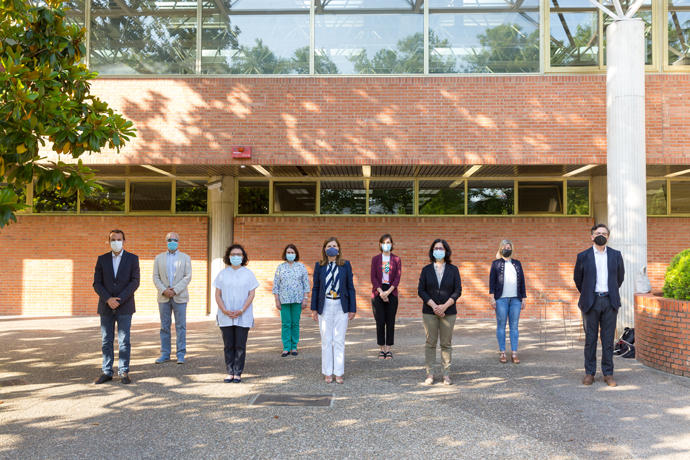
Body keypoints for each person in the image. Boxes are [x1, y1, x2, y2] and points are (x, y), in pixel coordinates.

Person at [574, 223, 625, 387]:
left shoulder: (616, 255)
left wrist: (609, 292)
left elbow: (620, 278)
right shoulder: (583, 256)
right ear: (592, 236)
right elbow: (578, 279)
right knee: (590, 339)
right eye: (597, 233)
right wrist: (589, 292)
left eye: (604, 233)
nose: (600, 235)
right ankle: (589, 373)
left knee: (608, 340)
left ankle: (608, 374)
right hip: (591, 301)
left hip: (610, 301)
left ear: (608, 237)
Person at [92, 229, 140, 385]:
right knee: (106, 340)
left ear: (124, 241)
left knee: (124, 340)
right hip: (106, 306)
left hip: (125, 306)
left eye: (119, 239)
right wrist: (108, 299)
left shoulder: (133, 259)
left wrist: (119, 300)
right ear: (109, 241)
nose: (116, 242)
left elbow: (135, 282)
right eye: (113, 239)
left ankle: (124, 371)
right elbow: (96, 283)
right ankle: (107, 371)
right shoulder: (102, 259)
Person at [311, 237, 356, 384]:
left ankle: (339, 372)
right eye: (329, 245)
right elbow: (316, 287)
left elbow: (350, 287)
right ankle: (327, 372)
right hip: (325, 305)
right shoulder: (319, 265)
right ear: (325, 249)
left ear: (338, 249)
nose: (332, 248)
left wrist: (352, 308)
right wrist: (314, 309)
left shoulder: (345, 265)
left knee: (339, 340)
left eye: (334, 245)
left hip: (340, 306)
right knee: (326, 340)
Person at [417, 239, 462, 385]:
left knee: (446, 344)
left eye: (441, 248)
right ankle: (430, 374)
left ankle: (446, 374)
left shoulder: (453, 269)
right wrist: (434, 306)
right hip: (429, 312)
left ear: (446, 251)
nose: (438, 250)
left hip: (448, 312)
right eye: (436, 248)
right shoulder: (426, 270)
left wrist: (444, 306)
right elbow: (421, 290)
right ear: (432, 251)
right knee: (430, 343)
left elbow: (457, 291)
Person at [214, 244, 259, 383]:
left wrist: (242, 310)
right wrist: (224, 310)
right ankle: (229, 372)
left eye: (239, 255)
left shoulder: (248, 273)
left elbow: (251, 294)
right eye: (233, 254)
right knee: (228, 345)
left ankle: (238, 372)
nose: (236, 257)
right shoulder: (222, 273)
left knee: (240, 344)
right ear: (228, 256)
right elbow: (217, 294)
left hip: (242, 314)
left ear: (243, 257)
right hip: (225, 314)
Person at [152, 232, 192, 364]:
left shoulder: (185, 258)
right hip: (163, 297)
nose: (172, 241)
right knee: (164, 326)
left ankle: (181, 354)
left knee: (181, 326)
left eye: (174, 240)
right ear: (166, 241)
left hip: (179, 297)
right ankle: (165, 354)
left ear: (179, 241)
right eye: (169, 240)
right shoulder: (158, 258)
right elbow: (155, 277)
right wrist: (164, 290)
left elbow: (188, 276)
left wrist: (175, 290)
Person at [489, 239, 527, 364]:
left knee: (514, 326)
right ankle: (502, 352)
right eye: (505, 247)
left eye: (509, 247)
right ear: (501, 249)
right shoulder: (495, 264)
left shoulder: (517, 263)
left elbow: (522, 281)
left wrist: (524, 298)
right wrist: (492, 297)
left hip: (516, 299)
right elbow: (492, 282)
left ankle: (514, 353)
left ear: (512, 249)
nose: (507, 249)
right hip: (501, 299)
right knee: (501, 326)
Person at [273, 244, 310, 357]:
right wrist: (277, 300)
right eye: (288, 253)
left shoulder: (301, 267)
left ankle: (294, 347)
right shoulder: (280, 267)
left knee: (295, 323)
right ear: (285, 254)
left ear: (296, 254)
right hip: (284, 300)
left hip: (297, 300)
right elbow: (276, 285)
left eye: (292, 252)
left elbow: (306, 284)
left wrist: (305, 299)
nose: (290, 254)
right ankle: (286, 347)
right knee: (286, 324)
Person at [370, 233, 402, 360]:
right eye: (384, 242)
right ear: (380, 244)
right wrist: (381, 292)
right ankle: (381, 349)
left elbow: (397, 278)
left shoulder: (397, 259)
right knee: (380, 321)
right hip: (378, 291)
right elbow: (373, 277)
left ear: (392, 244)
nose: (386, 245)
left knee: (390, 321)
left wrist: (388, 292)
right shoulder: (375, 259)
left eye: (388, 242)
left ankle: (388, 349)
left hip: (391, 292)